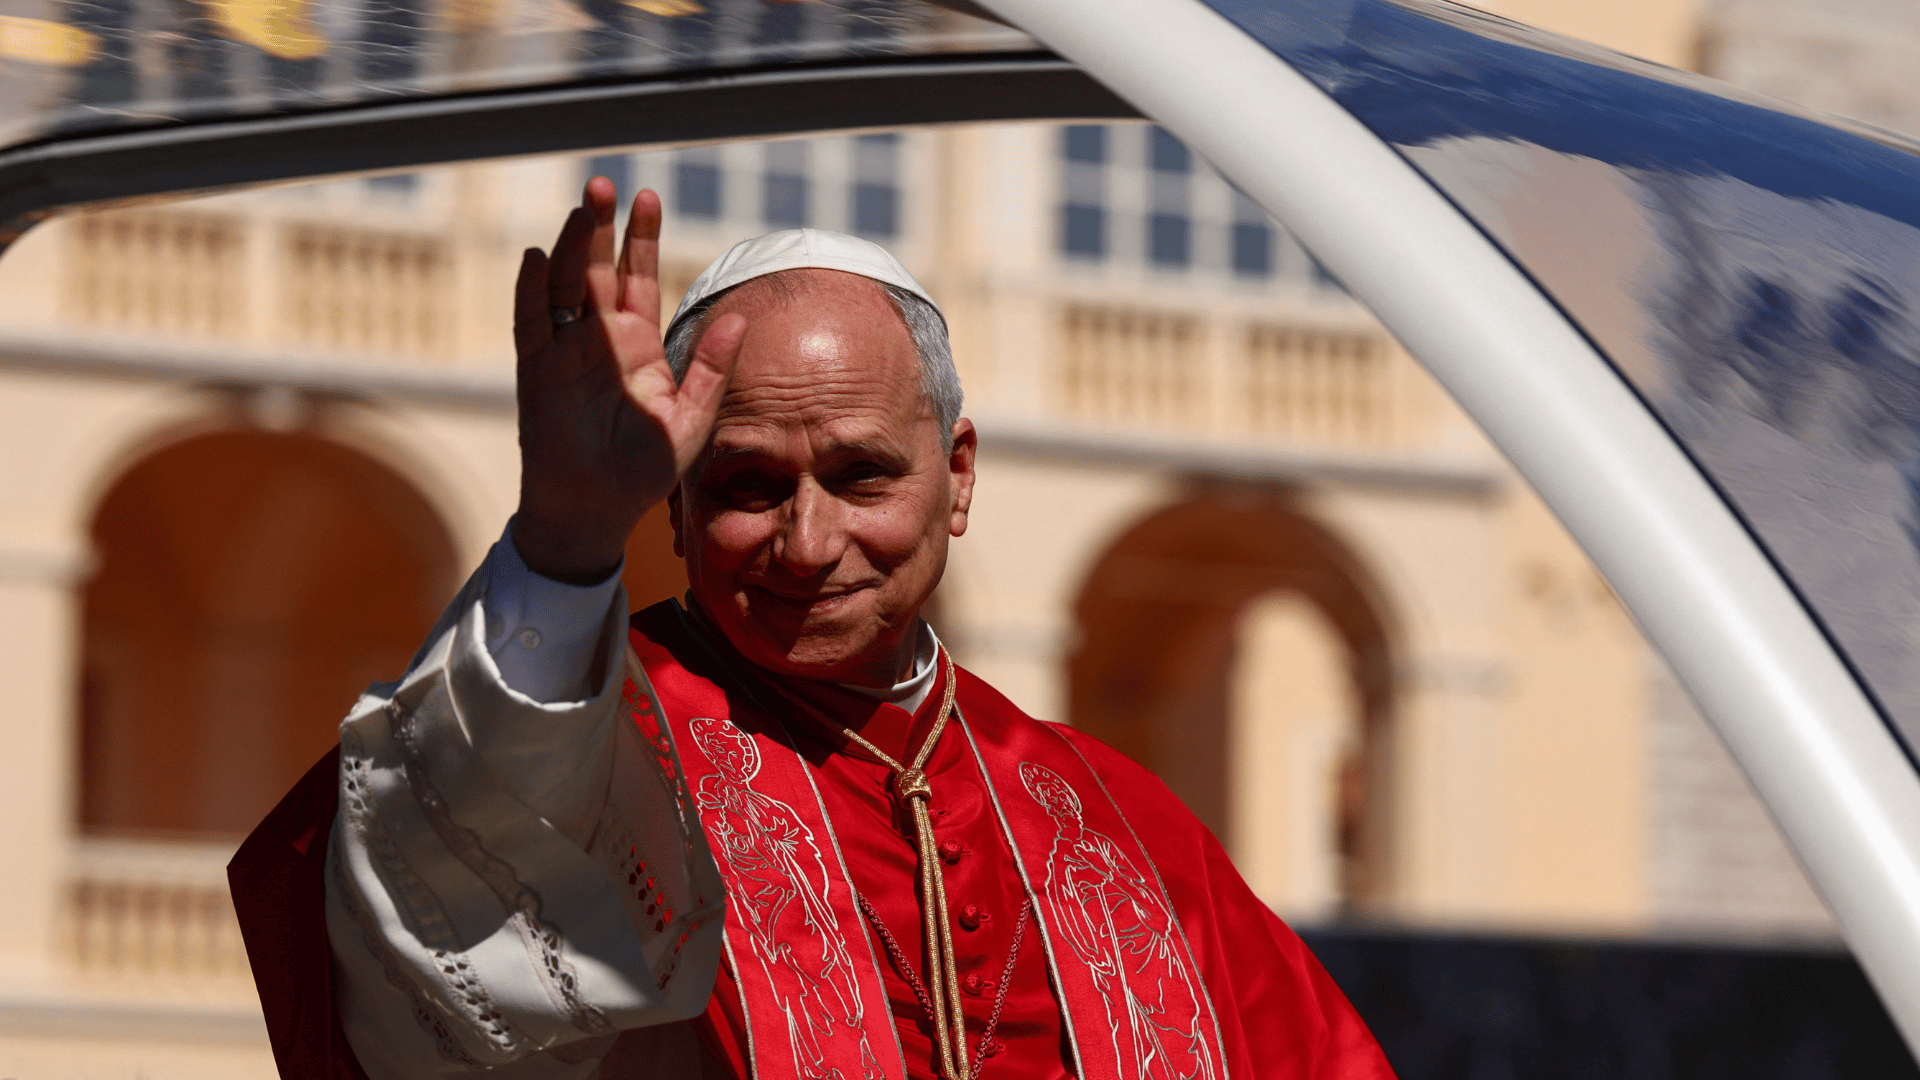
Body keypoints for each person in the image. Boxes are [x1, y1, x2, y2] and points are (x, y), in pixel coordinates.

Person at [228, 178, 1396, 1080]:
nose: (806, 539)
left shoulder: (1122, 827)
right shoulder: (592, 738)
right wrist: (566, 535)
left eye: (861, 475)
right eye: (745, 484)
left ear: (960, 477)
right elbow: (430, 939)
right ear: (675, 510)